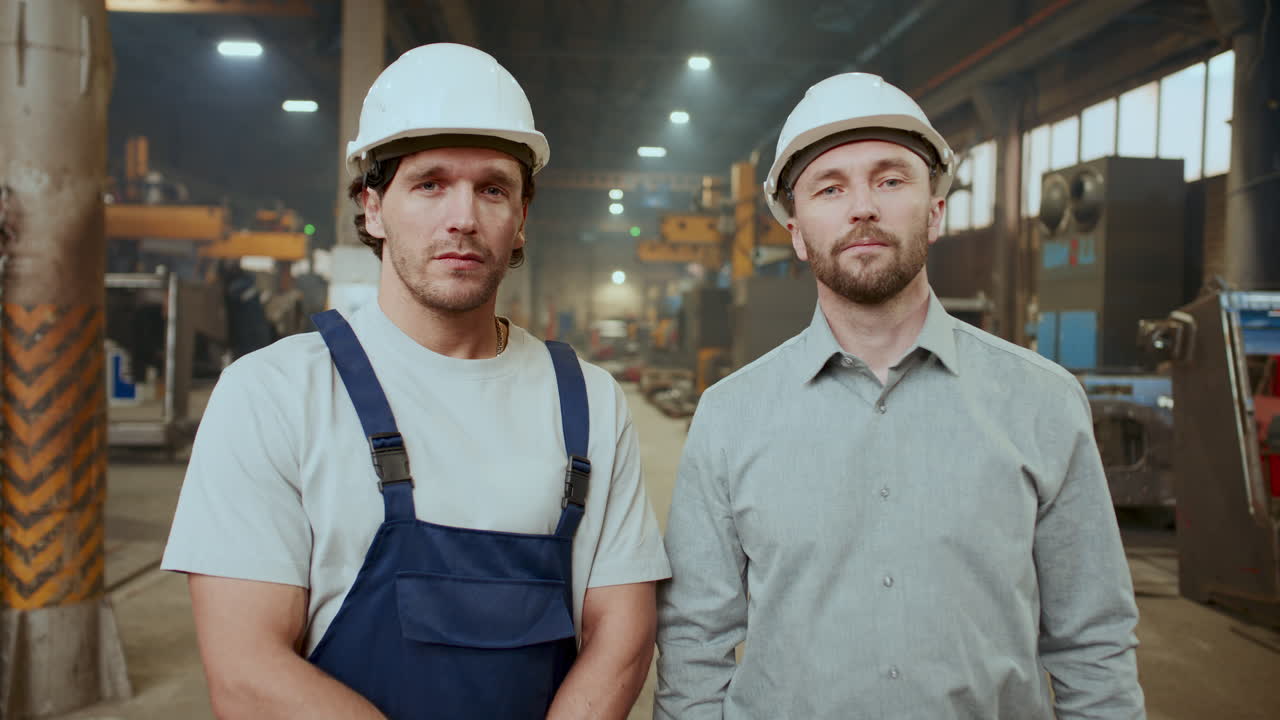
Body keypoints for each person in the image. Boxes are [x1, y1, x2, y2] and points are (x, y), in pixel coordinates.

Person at [163, 44, 670, 720]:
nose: (462, 216)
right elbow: (247, 672)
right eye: (429, 183)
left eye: (492, 188)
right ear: (373, 207)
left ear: (520, 220)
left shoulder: (589, 402)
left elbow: (623, 636)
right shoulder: (275, 395)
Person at [654, 72, 1145, 719]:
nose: (862, 207)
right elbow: (694, 641)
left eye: (889, 180)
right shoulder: (730, 417)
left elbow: (1093, 642)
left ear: (935, 212)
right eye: (831, 187)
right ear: (798, 232)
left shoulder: (1042, 402)